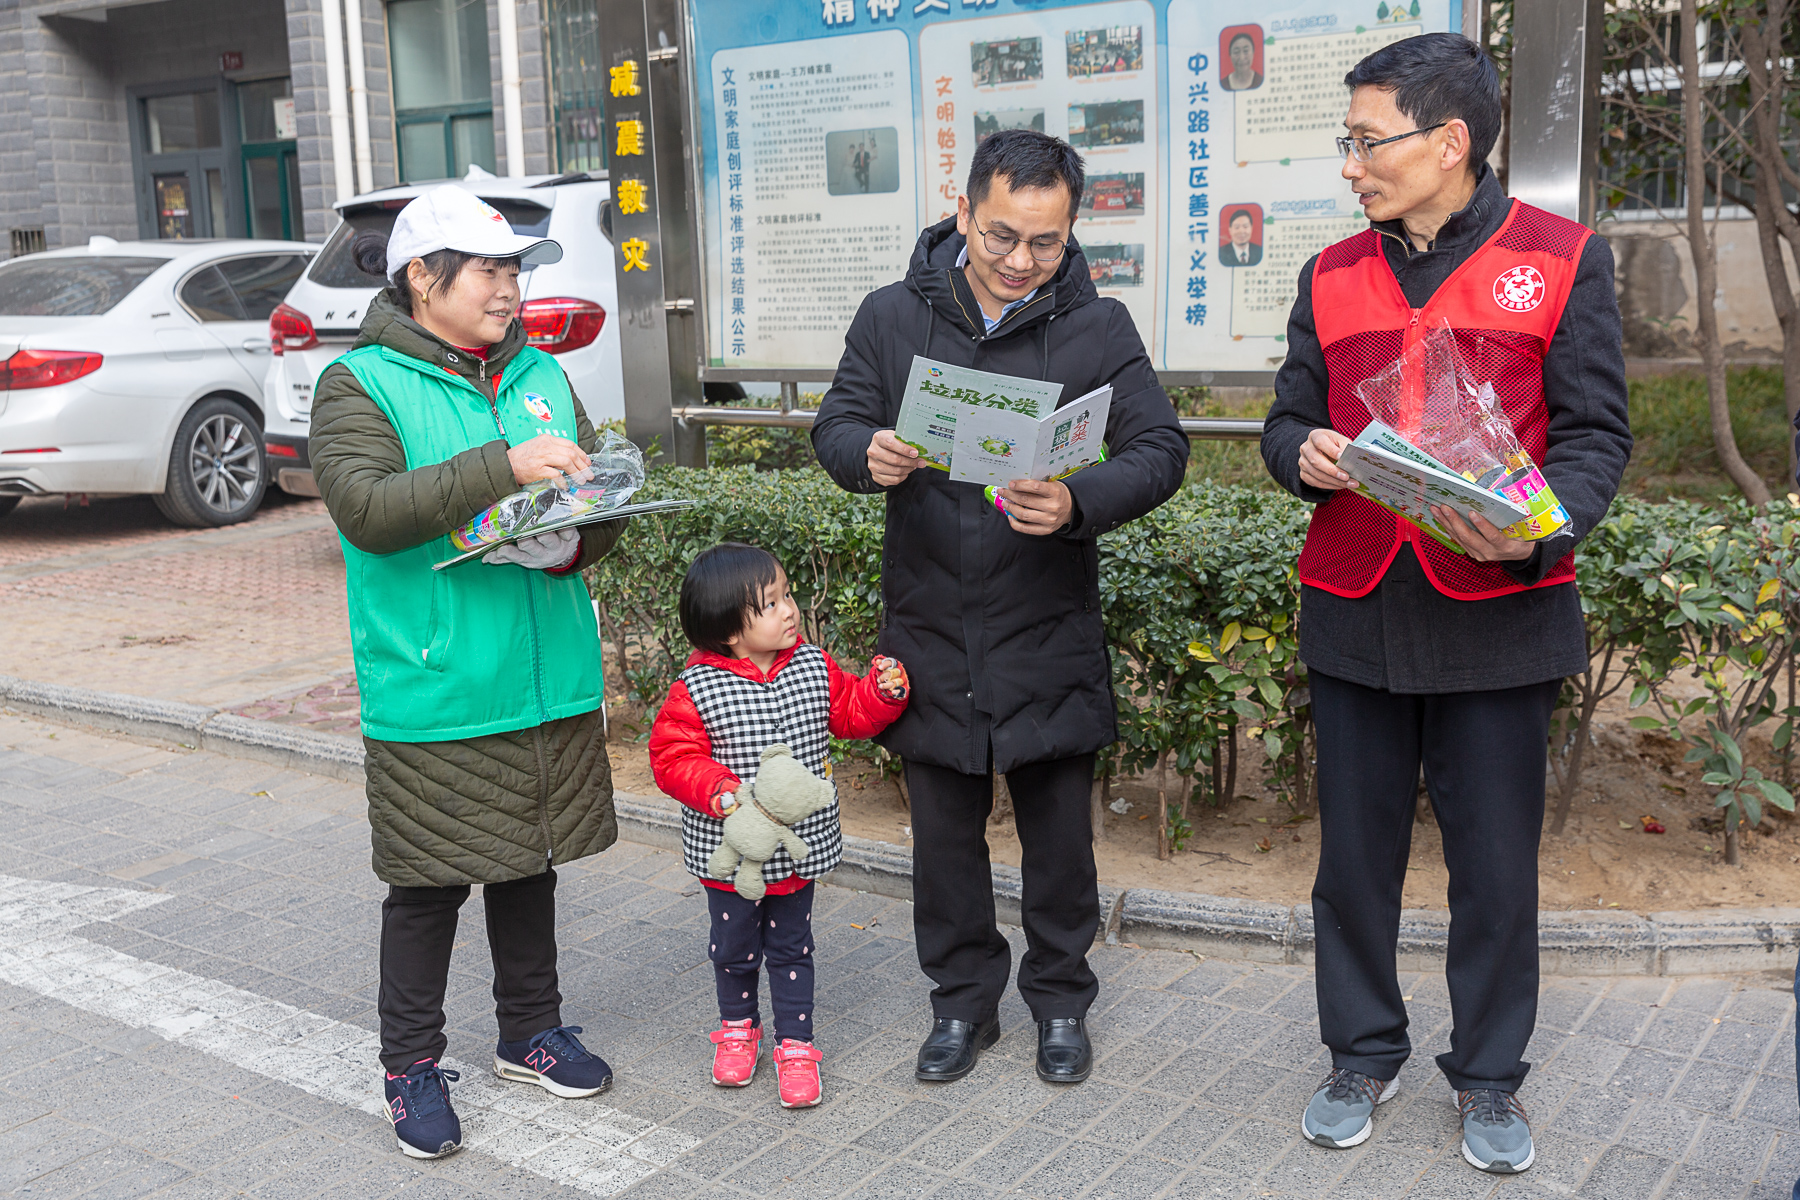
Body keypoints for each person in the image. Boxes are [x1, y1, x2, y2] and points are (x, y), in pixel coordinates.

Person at [1259, 33, 1631, 1175]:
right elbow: (1285, 422)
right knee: (1354, 863)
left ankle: (1489, 1077)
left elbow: (1596, 437)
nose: (1353, 164)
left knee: (1495, 867)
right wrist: (1302, 456)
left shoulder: (1562, 260)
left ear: (1449, 142)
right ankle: (1361, 1050)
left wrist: (1537, 528)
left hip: (1500, 612)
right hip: (1357, 605)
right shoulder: (1329, 274)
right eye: (1352, 141)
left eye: (1368, 141)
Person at [811, 129, 1189, 1086]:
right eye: (1002, 236)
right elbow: (836, 424)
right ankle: (961, 1007)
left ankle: (1060, 1005)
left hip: (1044, 629)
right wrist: (870, 455)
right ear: (964, 210)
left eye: (1047, 242)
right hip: (931, 631)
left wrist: (1076, 503)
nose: (1022, 261)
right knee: (943, 846)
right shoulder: (892, 316)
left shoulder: (1097, 329)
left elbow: (1160, 450)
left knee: (1059, 844)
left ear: (1071, 232)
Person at [309, 185, 627, 1160]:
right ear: (422, 277)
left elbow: (595, 493)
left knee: (529, 859)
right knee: (430, 883)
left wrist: (582, 535)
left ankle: (531, 1030)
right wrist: (504, 466)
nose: (508, 288)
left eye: (515, 270)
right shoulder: (359, 384)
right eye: (489, 270)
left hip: (543, 669)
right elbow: (367, 510)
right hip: (440, 681)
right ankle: (410, 1065)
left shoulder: (541, 372)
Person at [648, 544, 910, 1108]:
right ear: (727, 628)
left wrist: (882, 694)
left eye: (787, 594)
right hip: (731, 852)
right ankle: (738, 1030)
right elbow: (672, 758)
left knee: (793, 948)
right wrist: (716, 789)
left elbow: (850, 714)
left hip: (798, 849)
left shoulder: (813, 666)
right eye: (770, 603)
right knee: (734, 948)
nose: (789, 610)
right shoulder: (695, 688)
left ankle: (797, 1044)